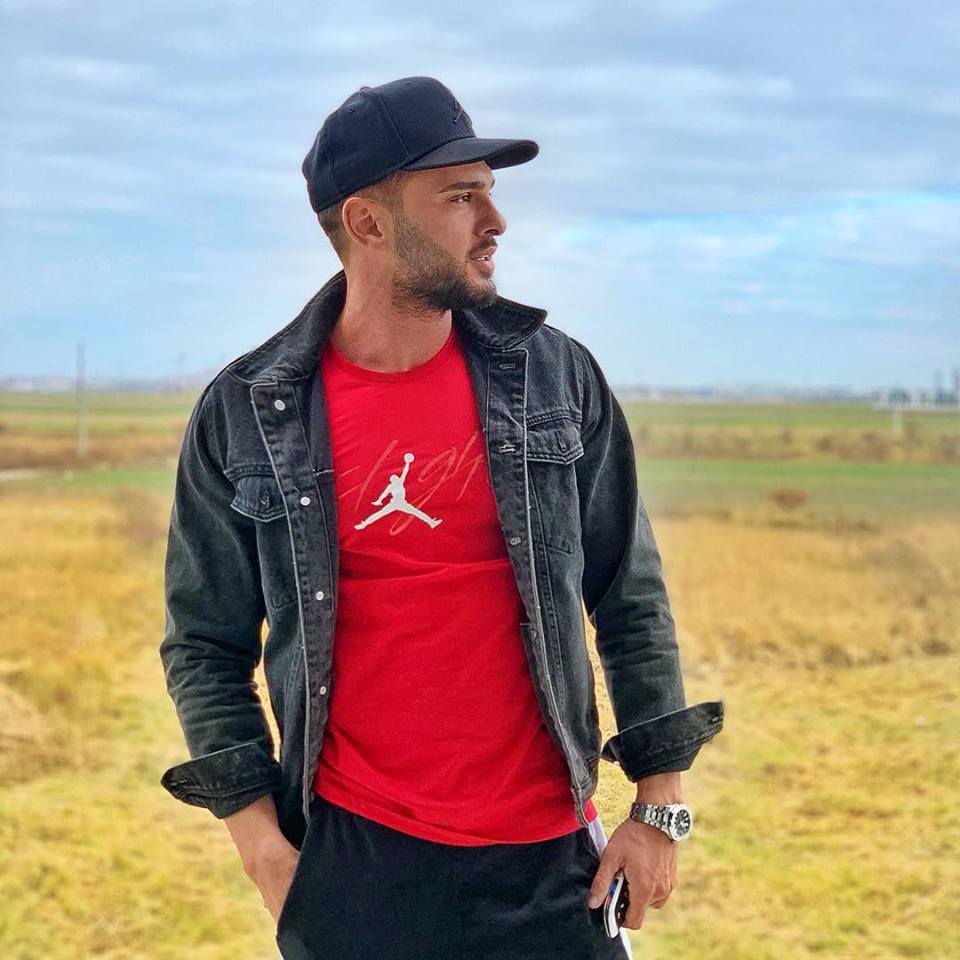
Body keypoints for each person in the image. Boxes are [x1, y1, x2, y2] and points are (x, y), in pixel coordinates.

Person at [158, 76, 724, 960]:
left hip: (552, 864)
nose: (495, 221)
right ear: (368, 222)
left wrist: (659, 807)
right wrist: (262, 847)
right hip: (355, 866)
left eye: (489, 193)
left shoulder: (556, 377)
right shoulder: (247, 413)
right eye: (461, 197)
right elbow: (204, 643)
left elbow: (630, 597)